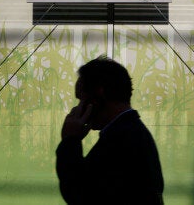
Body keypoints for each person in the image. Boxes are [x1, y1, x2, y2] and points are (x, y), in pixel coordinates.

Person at [56, 56, 164, 204]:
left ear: (99, 94)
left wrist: (70, 140)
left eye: (81, 99)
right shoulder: (132, 132)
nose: (78, 107)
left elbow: (78, 194)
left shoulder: (120, 140)